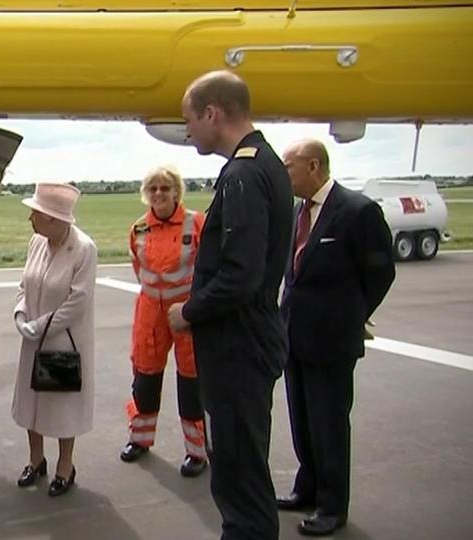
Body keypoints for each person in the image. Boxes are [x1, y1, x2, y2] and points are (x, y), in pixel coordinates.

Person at [167, 70, 293, 539]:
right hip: (249, 341)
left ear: (212, 113)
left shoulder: (243, 173)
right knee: (244, 468)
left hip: (238, 347)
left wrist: (189, 311)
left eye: (189, 120)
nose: (188, 131)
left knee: (240, 477)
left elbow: (240, 276)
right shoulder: (265, 163)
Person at [277, 139, 395, 536]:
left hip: (331, 342)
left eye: (288, 166)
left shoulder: (358, 211)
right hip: (295, 337)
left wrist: (352, 316)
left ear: (314, 166)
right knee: (302, 422)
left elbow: (380, 272)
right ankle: (307, 489)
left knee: (329, 426)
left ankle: (332, 506)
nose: (284, 174)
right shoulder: (298, 212)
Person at [120, 166, 208, 478]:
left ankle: (197, 451)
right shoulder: (139, 228)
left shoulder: (196, 222)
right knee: (145, 374)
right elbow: (137, 264)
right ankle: (140, 439)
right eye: (153, 188)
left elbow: (210, 267)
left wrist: (194, 307)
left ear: (176, 192)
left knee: (191, 379)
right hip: (150, 312)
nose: (159, 193)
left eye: (165, 188)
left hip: (187, 313)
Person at [12, 182, 97, 497]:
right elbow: (25, 283)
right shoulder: (37, 241)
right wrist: (21, 314)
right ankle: (36, 461)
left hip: (63, 341)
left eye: (35, 214)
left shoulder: (84, 249)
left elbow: (77, 303)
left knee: (61, 407)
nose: (30, 219)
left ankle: (65, 466)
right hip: (32, 339)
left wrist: (41, 326)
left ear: (53, 218)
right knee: (30, 403)